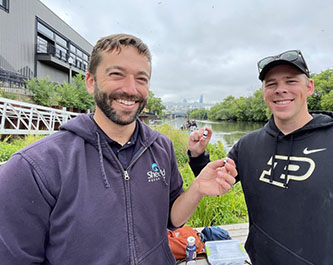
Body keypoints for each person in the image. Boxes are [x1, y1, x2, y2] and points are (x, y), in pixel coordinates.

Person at [0, 33, 236, 265]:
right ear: (91, 82)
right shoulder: (33, 166)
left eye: (141, 79)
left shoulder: (161, 147)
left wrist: (196, 189)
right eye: (116, 74)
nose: (131, 89)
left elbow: (172, 220)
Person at [188, 50, 333, 264]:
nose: (280, 90)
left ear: (309, 87)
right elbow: (218, 182)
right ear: (263, 92)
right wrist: (198, 156)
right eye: (271, 84)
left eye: (291, 81)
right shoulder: (247, 146)